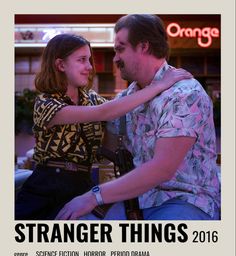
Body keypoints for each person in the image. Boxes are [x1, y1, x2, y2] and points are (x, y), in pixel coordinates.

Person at [56, 15, 220, 221]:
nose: (115, 58)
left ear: (143, 47)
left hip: (186, 200)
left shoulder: (184, 94)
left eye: (120, 49)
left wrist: (93, 196)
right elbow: (99, 126)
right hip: (138, 200)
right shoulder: (128, 98)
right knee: (77, 226)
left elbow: (162, 169)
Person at [15, 33, 191, 220]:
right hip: (47, 185)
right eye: (82, 60)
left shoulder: (91, 98)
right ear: (60, 65)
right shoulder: (45, 103)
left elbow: (121, 112)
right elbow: (105, 112)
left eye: (89, 60)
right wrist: (159, 85)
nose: (89, 67)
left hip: (82, 185)